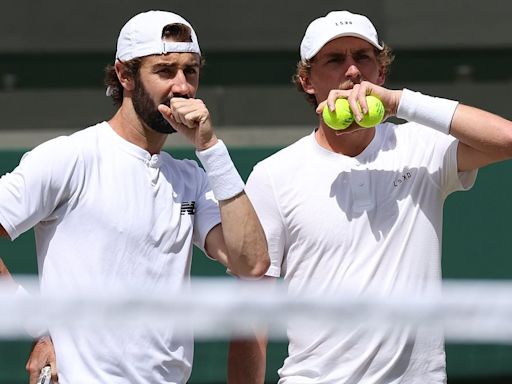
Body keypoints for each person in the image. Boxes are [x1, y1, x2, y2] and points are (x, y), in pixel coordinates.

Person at [228, 10, 512, 384]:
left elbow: (506, 139)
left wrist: (398, 103)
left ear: (380, 72)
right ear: (306, 80)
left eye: (363, 57)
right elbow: (252, 307)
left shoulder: (421, 145)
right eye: (335, 59)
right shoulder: (273, 175)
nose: (352, 71)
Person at [0, 10, 269, 384]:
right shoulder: (70, 157)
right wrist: (37, 328)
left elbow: (252, 264)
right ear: (125, 75)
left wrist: (210, 147)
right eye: (165, 71)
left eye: (190, 71)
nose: (182, 87)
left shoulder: (191, 179)